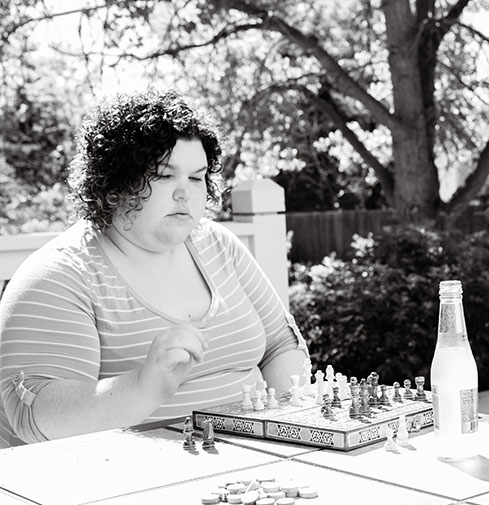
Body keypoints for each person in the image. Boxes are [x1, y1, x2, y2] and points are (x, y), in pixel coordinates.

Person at [0, 89, 309, 448]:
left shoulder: (219, 246)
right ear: (114, 185)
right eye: (163, 175)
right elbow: (34, 416)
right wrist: (143, 386)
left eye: (196, 178)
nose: (185, 194)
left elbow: (281, 346)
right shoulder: (58, 276)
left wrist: (293, 431)